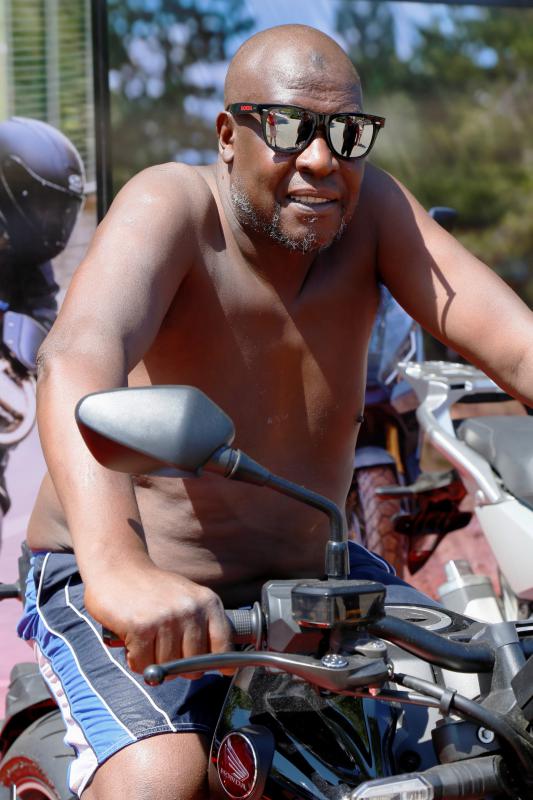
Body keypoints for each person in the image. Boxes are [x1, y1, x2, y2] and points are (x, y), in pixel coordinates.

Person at [17, 23, 533, 800]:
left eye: (347, 133)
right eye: (290, 128)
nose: (322, 160)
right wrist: (120, 571)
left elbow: (517, 347)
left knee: (493, 715)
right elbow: (77, 356)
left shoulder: (373, 210)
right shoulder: (172, 205)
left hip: (315, 579)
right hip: (136, 581)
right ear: (229, 135)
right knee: (163, 777)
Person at [0, 117, 85, 540]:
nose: (52, 220)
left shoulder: (26, 255)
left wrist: (16, 360)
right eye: (44, 208)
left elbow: (43, 312)